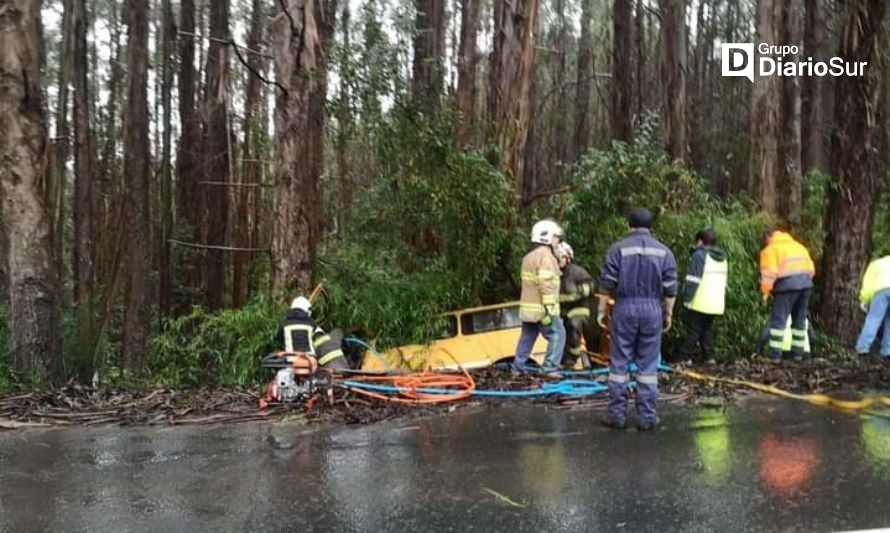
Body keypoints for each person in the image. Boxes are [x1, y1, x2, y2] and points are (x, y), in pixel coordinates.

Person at [597, 208, 677, 431]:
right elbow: (670, 290)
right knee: (648, 366)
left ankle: (616, 416)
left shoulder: (617, 249)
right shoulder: (665, 253)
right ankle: (647, 417)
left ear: (629, 225)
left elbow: (606, 284)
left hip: (624, 308)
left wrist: (601, 311)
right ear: (651, 227)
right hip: (653, 309)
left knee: (619, 365)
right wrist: (668, 314)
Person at [513, 219, 566, 374]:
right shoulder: (546, 257)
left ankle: (518, 368)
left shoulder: (528, 257)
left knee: (527, 337)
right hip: (543, 310)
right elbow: (546, 282)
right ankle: (550, 368)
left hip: (528, 310)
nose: (557, 241)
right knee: (558, 334)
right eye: (556, 237)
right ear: (547, 237)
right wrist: (550, 308)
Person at [759, 229, 815, 361]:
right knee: (800, 322)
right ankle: (797, 354)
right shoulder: (798, 246)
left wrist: (765, 293)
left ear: (768, 238)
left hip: (786, 287)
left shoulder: (770, 250)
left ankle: (775, 355)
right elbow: (811, 269)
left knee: (779, 321)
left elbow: (769, 274)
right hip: (806, 284)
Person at [679, 227, 727, 365]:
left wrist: (686, 298)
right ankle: (709, 357)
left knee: (693, 330)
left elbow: (693, 280)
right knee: (707, 329)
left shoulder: (699, 256)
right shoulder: (722, 258)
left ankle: (684, 357)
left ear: (700, 241)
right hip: (715, 302)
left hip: (699, 300)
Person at [275, 296, 348, 370]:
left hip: (291, 360)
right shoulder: (311, 323)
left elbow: (279, 339)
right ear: (306, 309)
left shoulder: (284, 323)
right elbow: (317, 335)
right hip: (309, 360)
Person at [556, 242, 595, 368]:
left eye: (561, 257)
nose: (558, 261)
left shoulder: (578, 272)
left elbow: (590, 287)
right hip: (561, 311)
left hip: (579, 309)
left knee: (573, 326)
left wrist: (575, 295)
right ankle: (559, 360)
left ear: (568, 257)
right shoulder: (554, 274)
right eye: (556, 258)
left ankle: (571, 360)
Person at [855, 252, 890, 357]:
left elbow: (868, 283)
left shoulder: (876, 264)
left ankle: (863, 347)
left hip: (881, 290)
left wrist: (864, 299)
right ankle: (887, 350)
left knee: (873, 319)